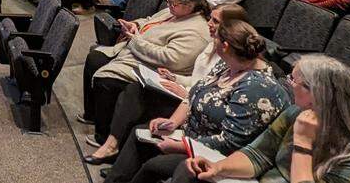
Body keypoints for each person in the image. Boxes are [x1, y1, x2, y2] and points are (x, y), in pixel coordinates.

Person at [101, 20, 289, 183]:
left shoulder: (257, 88)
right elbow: (194, 95)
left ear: (224, 46)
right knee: (140, 133)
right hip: (190, 135)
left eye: (215, 38)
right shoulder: (228, 63)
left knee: (154, 165)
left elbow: (230, 142)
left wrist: (181, 145)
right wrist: (172, 122)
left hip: (217, 156)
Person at [180, 55, 350, 183]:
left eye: (293, 80)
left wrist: (303, 142)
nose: (288, 84)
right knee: (187, 174)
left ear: (315, 92)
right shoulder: (296, 112)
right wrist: (219, 168)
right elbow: (258, 154)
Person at [85, 4, 249, 165]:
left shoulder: (228, 54)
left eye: (215, 21)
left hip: (191, 105)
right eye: (211, 18)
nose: (209, 23)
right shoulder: (212, 44)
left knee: (136, 101)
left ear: (231, 27)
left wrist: (186, 92)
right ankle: (112, 146)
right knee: (135, 89)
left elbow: (213, 94)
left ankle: (113, 150)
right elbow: (198, 78)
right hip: (186, 93)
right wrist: (175, 78)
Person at [79, 0, 212, 145]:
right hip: (136, 52)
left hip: (154, 68)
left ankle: (104, 135)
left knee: (107, 80)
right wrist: (134, 24)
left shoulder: (196, 31)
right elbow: (150, 20)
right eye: (167, 0)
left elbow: (170, 59)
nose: (168, 5)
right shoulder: (174, 11)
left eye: (173, 3)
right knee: (95, 58)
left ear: (189, 5)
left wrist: (135, 40)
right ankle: (92, 115)